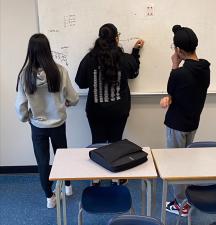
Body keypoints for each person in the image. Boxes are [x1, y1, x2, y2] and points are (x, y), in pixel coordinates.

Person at [75, 23, 144, 185]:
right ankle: (116, 176)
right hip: (119, 110)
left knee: (97, 142)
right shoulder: (124, 59)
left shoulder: (89, 59)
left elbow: (80, 83)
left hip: (96, 111)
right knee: (116, 143)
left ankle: (96, 178)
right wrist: (135, 52)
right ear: (116, 38)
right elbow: (134, 72)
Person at [15, 33, 79, 208]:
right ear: (47, 49)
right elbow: (73, 98)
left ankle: (49, 197)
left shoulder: (24, 75)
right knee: (62, 156)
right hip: (58, 123)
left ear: (31, 51)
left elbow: (20, 106)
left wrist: (27, 117)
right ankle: (67, 187)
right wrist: (67, 102)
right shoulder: (59, 70)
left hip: (37, 125)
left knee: (42, 161)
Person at [160, 25, 210, 216]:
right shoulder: (205, 68)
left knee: (176, 163)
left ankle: (181, 203)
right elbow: (181, 93)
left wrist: (174, 65)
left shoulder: (180, 73)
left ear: (179, 50)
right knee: (186, 160)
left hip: (176, 124)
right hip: (192, 122)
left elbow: (171, 89)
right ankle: (185, 198)